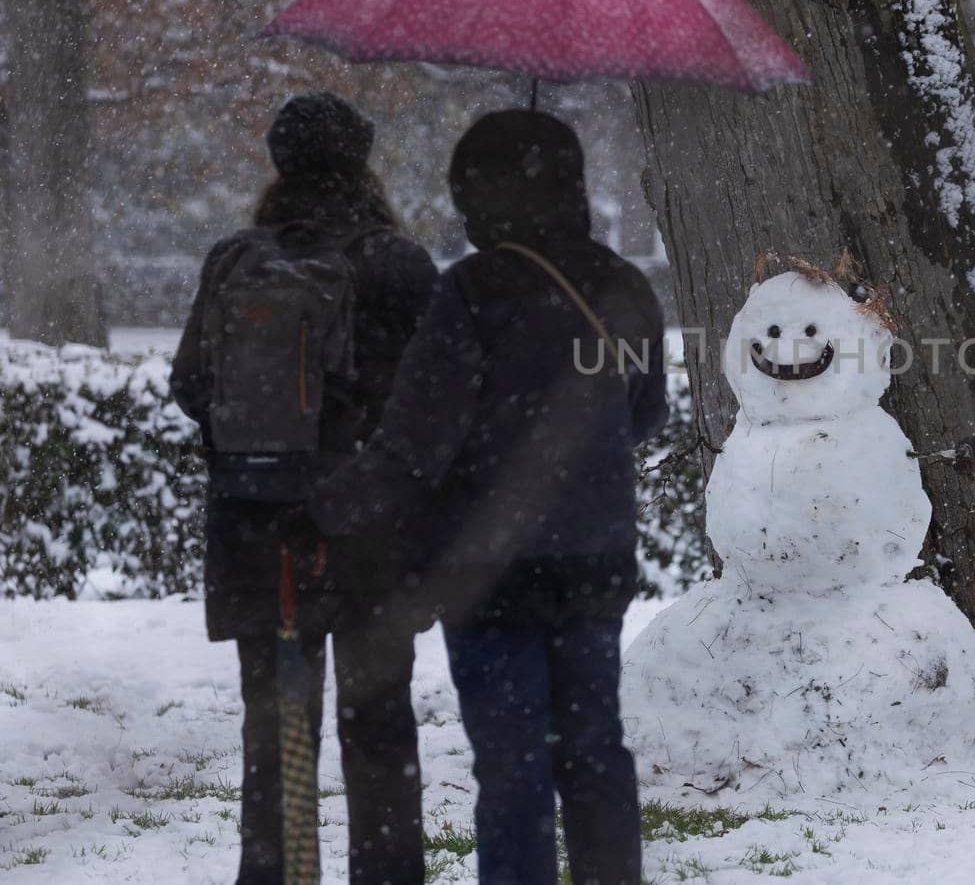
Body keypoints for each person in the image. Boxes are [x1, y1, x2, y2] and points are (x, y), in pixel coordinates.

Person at [311, 109, 668, 885]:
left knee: (513, 770)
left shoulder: (469, 293)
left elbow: (414, 443)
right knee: (596, 754)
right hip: (595, 563)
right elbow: (645, 414)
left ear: (478, 196)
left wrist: (323, 507)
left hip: (489, 573)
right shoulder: (623, 285)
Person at [170, 92, 438, 885]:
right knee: (379, 729)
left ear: (279, 165)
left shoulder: (235, 260)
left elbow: (190, 384)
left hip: (261, 531)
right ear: (362, 163)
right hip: (367, 536)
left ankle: (280, 873)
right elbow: (440, 402)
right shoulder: (397, 263)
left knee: (279, 730)